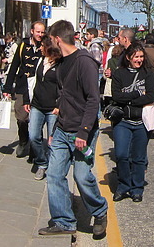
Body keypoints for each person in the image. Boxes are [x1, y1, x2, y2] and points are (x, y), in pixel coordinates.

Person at [39, 20, 108, 238]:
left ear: (57, 39)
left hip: (81, 130)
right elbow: (64, 95)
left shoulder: (84, 62)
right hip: (62, 129)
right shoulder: (61, 63)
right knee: (54, 174)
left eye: (51, 39)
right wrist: (53, 129)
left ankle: (99, 210)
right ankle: (63, 221)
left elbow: (93, 100)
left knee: (81, 176)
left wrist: (84, 132)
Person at [110, 43, 154, 202]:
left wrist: (129, 100)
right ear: (129, 58)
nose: (139, 60)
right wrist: (137, 94)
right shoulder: (119, 74)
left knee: (138, 158)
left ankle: (137, 188)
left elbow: (151, 96)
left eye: (141, 57)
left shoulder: (148, 74)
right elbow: (116, 96)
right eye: (136, 57)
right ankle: (124, 185)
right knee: (122, 155)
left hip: (141, 122)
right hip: (122, 121)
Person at [3, 22, 46, 159]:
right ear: (32, 31)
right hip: (23, 86)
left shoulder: (45, 47)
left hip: (39, 87)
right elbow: (14, 67)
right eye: (38, 32)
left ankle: (35, 147)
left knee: (36, 119)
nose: (40, 35)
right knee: (21, 118)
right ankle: (23, 140)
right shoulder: (22, 46)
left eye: (42, 32)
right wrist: (7, 88)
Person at [28, 34, 62, 181]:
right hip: (37, 104)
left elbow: (64, 87)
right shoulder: (41, 61)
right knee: (33, 136)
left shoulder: (60, 65)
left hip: (52, 108)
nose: (40, 47)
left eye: (42, 46)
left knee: (52, 140)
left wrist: (59, 104)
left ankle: (50, 166)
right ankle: (42, 162)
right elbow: (34, 80)